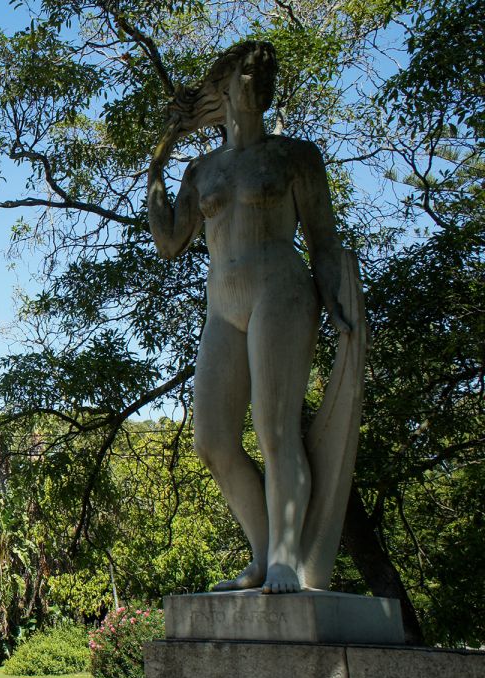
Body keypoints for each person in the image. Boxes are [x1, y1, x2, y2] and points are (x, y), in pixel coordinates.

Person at [147, 41, 355, 594]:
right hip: (223, 303)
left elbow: (324, 241)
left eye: (267, 71)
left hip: (280, 290)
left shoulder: (294, 157)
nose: (260, 79)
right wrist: (158, 164)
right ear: (224, 86)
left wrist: (337, 302)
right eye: (248, 71)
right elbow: (169, 242)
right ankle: (262, 557)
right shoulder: (202, 170)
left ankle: (286, 558)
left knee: (274, 427)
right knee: (212, 440)